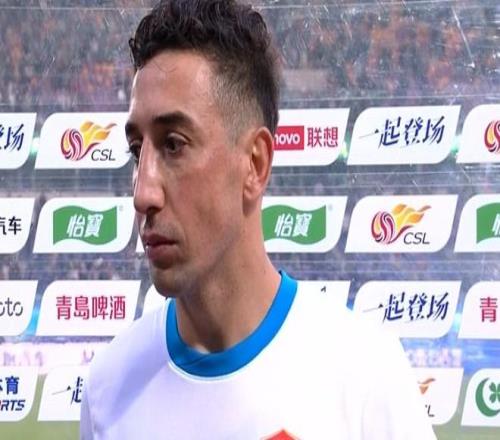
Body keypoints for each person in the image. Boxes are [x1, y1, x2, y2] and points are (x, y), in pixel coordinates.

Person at [80, 1, 436, 439]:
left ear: (255, 164)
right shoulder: (109, 389)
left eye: (173, 145)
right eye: (137, 151)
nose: (143, 193)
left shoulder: (364, 375)